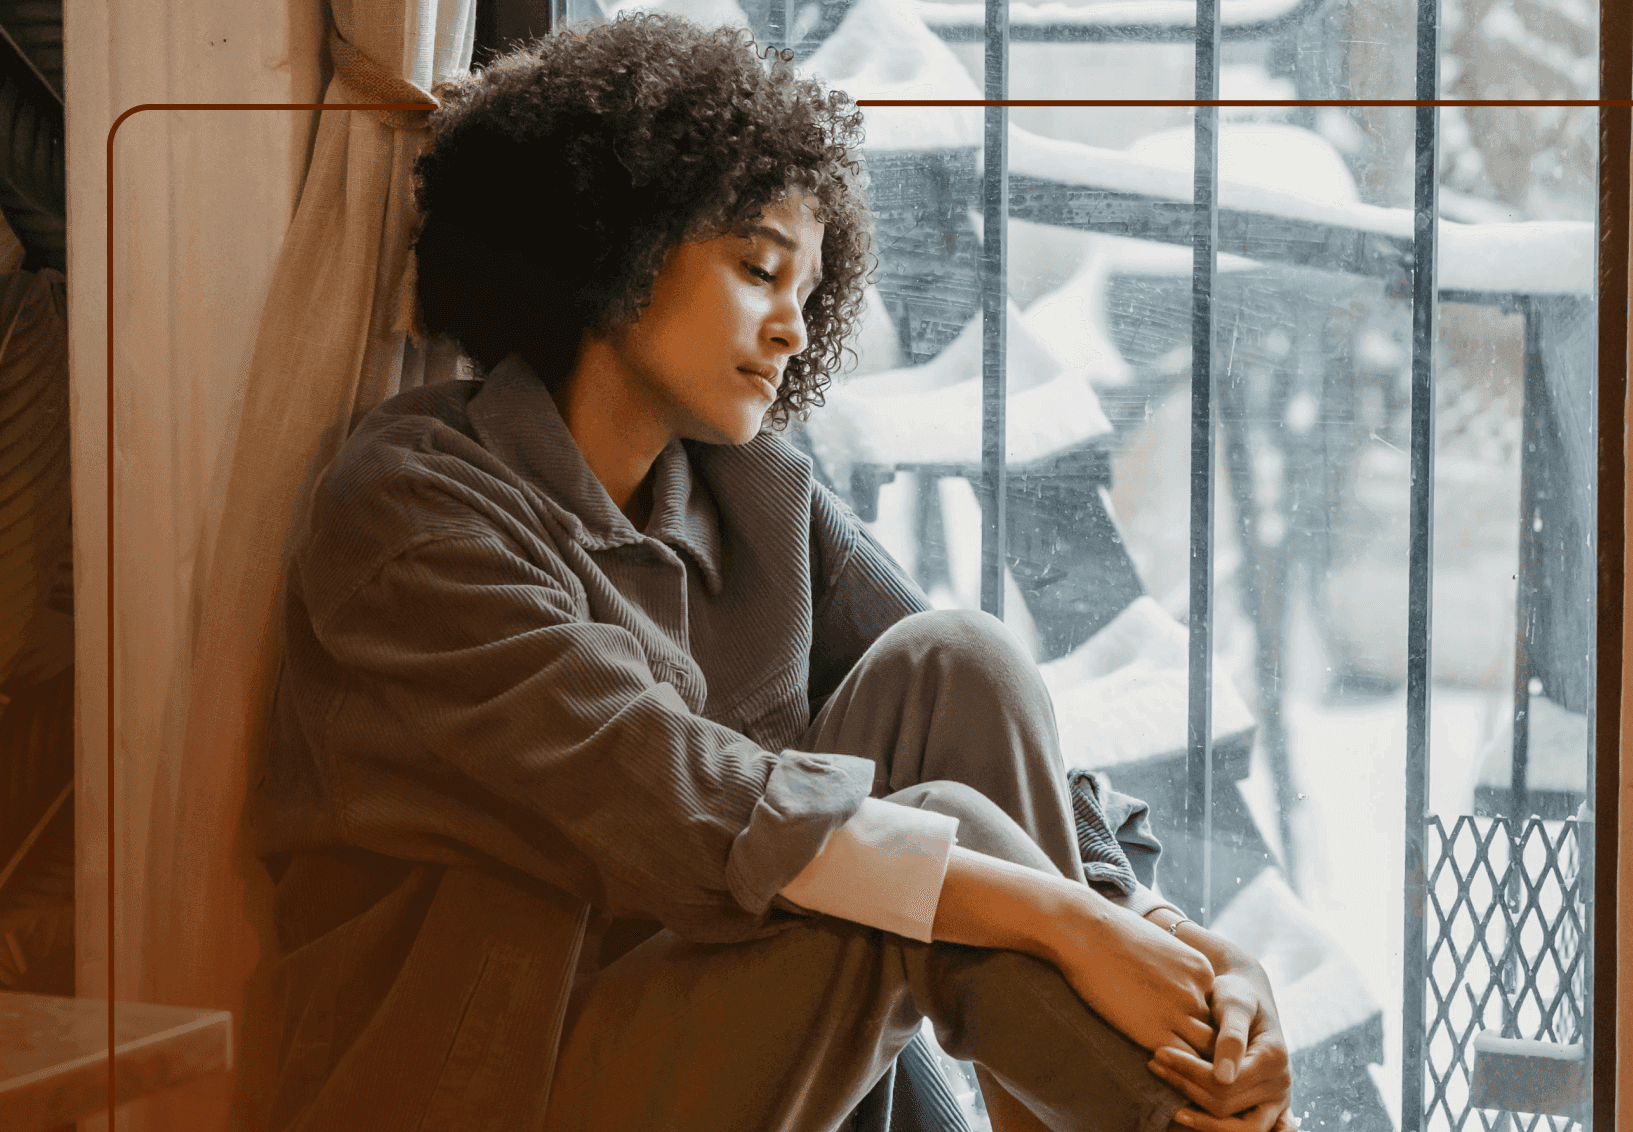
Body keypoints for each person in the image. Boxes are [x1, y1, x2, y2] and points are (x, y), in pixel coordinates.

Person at [244, 13, 1295, 1132]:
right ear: (615, 237)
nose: (794, 329)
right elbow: (688, 799)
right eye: (758, 269)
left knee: (959, 663)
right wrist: (1074, 927)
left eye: (811, 290)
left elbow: (971, 728)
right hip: (486, 1082)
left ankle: (1194, 1088)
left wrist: (1166, 934)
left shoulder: (753, 491)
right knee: (906, 862)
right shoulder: (410, 509)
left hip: (711, 1031)